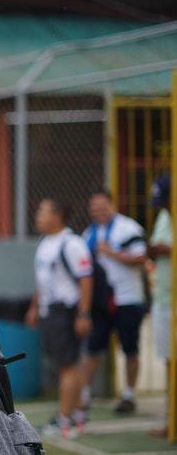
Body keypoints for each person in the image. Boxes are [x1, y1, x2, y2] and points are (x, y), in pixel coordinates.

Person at [26, 198, 93, 438]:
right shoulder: (45, 243)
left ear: (57, 215)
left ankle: (64, 420)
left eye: (43, 212)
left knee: (68, 365)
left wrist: (83, 314)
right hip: (49, 312)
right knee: (65, 364)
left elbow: (86, 279)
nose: (38, 216)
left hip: (66, 312)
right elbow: (43, 281)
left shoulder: (72, 243)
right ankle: (77, 413)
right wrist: (35, 307)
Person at [81, 190, 148, 414]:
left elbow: (141, 257)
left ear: (112, 205)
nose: (99, 211)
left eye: (103, 206)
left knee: (130, 348)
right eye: (94, 207)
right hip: (100, 302)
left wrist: (111, 253)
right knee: (93, 348)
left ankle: (129, 394)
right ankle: (84, 395)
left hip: (127, 298)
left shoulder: (128, 228)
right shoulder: (89, 233)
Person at [148, 174, 172, 437]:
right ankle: (171, 420)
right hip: (163, 299)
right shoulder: (164, 216)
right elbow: (156, 247)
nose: (163, 206)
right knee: (169, 362)